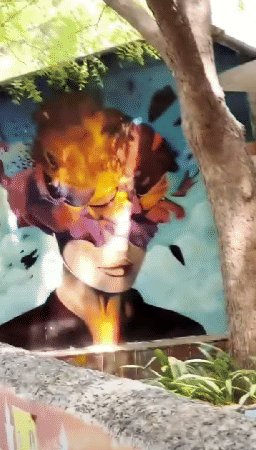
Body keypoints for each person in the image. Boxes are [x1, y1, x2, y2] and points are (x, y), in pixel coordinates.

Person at [0, 92, 204, 350]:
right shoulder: (11, 343)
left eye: (140, 219)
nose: (121, 246)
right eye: (99, 212)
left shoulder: (182, 334)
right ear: (50, 214)